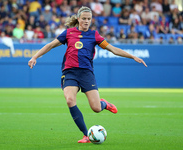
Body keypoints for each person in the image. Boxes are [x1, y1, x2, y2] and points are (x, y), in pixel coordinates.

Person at [28, 6, 147, 143]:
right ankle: (86, 135)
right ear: (78, 19)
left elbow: (113, 49)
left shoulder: (94, 35)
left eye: (88, 19)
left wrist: (132, 56)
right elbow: (50, 45)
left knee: (96, 108)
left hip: (86, 73)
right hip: (70, 72)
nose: (86, 21)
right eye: (83, 18)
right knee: (70, 100)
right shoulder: (68, 33)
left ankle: (104, 104)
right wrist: (35, 57)